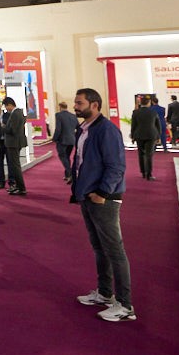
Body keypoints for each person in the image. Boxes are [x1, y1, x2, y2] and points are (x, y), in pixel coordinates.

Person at [71, 87, 135, 322]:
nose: (76, 107)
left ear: (94, 105)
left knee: (114, 250)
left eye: (79, 103)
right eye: (76, 103)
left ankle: (125, 306)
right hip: (88, 195)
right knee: (99, 247)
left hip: (103, 198)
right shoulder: (84, 129)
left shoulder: (107, 130)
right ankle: (105, 293)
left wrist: (102, 192)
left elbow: (116, 165)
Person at [130, 95, 160, 181]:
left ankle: (143, 172)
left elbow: (133, 125)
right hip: (151, 135)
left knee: (141, 154)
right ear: (149, 103)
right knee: (149, 155)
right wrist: (158, 136)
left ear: (141, 103)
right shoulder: (153, 112)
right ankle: (149, 174)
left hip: (139, 135)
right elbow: (157, 125)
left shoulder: (135, 112)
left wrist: (133, 136)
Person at [2, 97, 28, 195]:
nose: (6, 109)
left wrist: (3, 127)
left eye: (6, 106)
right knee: (14, 165)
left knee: (15, 166)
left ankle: (21, 188)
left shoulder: (15, 114)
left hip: (13, 143)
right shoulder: (19, 113)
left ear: (9, 104)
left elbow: (12, 130)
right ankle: (18, 186)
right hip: (16, 142)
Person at [51, 101, 78, 183]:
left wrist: (54, 138)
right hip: (72, 140)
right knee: (67, 157)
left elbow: (58, 129)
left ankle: (70, 174)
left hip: (62, 141)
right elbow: (78, 127)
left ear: (60, 107)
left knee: (62, 156)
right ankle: (67, 175)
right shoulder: (73, 116)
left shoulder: (58, 115)